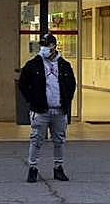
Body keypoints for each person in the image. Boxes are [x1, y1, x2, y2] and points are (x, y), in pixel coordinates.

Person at [17, 31, 76, 183]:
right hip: (40, 110)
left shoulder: (64, 65)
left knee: (59, 140)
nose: (44, 48)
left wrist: (66, 101)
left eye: (48, 45)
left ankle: (58, 167)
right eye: (42, 45)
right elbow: (23, 84)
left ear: (54, 46)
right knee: (36, 140)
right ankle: (33, 168)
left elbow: (71, 85)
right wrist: (32, 100)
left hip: (59, 110)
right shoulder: (33, 65)